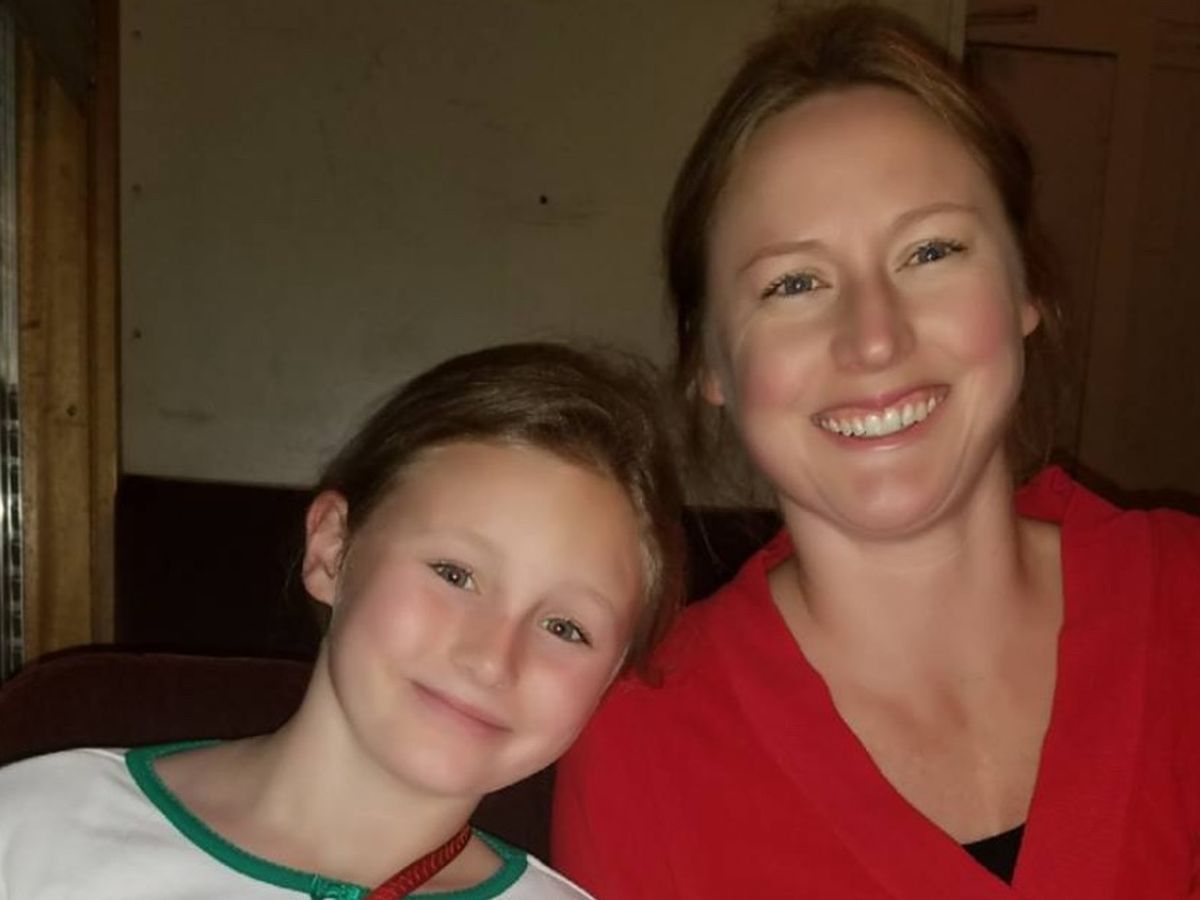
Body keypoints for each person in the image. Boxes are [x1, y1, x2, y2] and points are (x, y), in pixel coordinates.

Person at [551, 5, 1200, 897]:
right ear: (711, 363)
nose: (875, 338)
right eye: (794, 282)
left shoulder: (1185, 605)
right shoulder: (638, 750)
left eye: (930, 251)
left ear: (1024, 288)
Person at [0, 342, 684, 899]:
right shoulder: (37, 827)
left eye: (566, 628)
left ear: (609, 678)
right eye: (454, 574)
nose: (490, 658)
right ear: (331, 549)